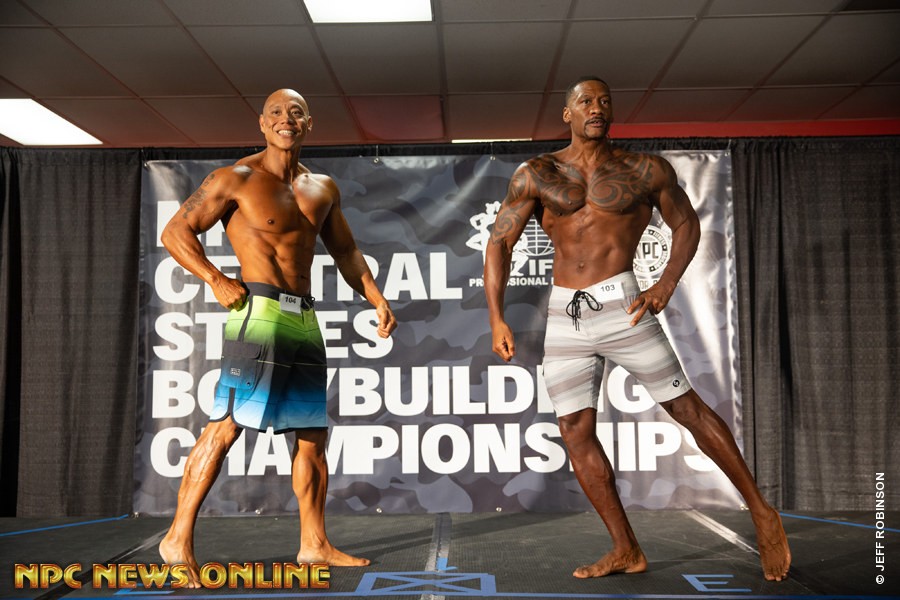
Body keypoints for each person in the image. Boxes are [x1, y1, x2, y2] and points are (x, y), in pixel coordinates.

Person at [483, 76, 791, 582]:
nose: (596, 108)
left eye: (604, 101)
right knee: (574, 430)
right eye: (586, 101)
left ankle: (760, 510)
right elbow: (499, 243)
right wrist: (496, 317)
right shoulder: (537, 173)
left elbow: (686, 223)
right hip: (565, 314)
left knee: (685, 408)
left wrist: (665, 284)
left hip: (622, 305)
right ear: (567, 114)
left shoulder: (644, 169)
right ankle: (625, 548)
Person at [157, 88, 397, 587]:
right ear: (262, 124)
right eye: (275, 113)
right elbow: (176, 231)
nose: (286, 119)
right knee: (226, 426)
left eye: (295, 112)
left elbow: (346, 251)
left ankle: (314, 544)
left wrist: (376, 297)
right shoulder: (235, 178)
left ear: (309, 124)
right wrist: (216, 279)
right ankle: (176, 539)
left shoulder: (322, 187)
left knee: (311, 435)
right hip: (258, 311)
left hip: (302, 316)